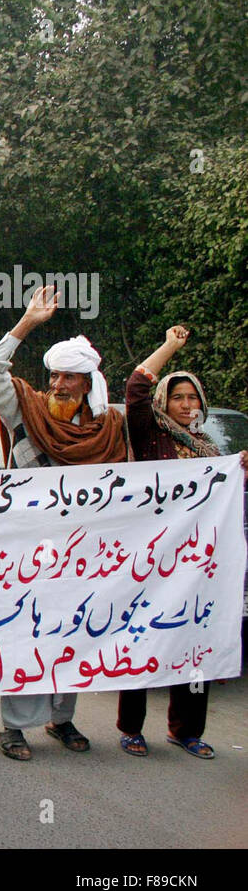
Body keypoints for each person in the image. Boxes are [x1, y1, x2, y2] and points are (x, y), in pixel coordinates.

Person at [0, 285, 128, 761]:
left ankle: (62, 719)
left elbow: (140, 481)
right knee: (29, 634)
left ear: (88, 383)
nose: (60, 385)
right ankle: (15, 727)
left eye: (70, 378)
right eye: (56, 376)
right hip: (31, 551)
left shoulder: (108, 427)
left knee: (76, 633)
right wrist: (27, 323)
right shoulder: (30, 411)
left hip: (86, 554)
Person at [117, 325, 248, 759]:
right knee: (140, 637)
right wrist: (170, 348)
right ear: (164, 403)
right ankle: (131, 728)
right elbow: (136, 387)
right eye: (178, 397)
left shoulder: (212, 452)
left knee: (193, 641)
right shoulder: (149, 434)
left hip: (198, 565)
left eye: (192, 398)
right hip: (151, 561)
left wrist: (240, 468)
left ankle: (186, 730)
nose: (186, 405)